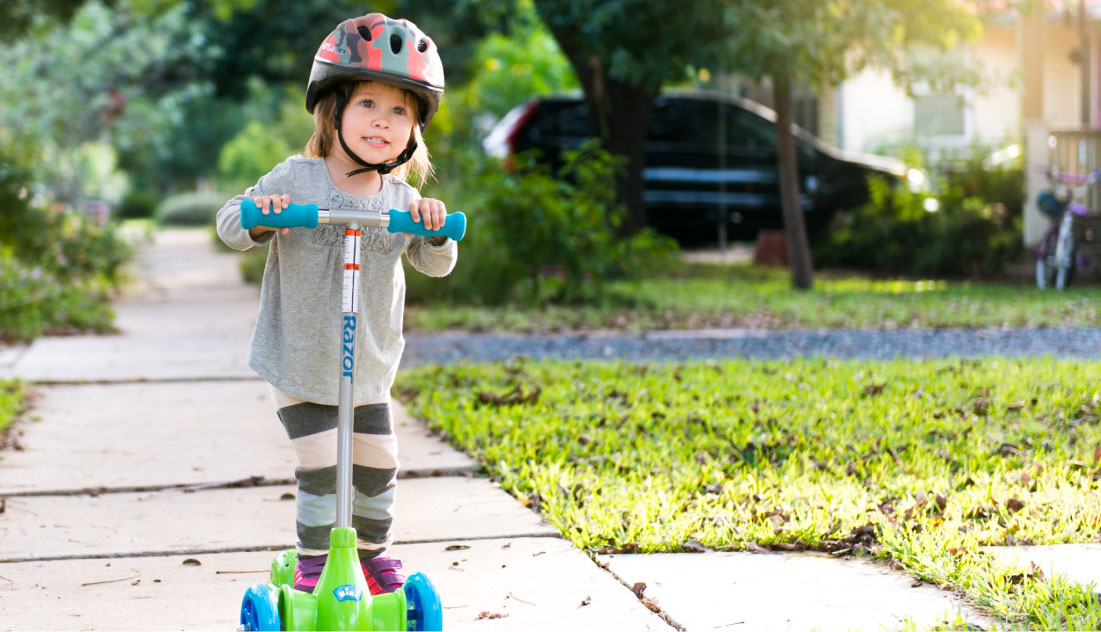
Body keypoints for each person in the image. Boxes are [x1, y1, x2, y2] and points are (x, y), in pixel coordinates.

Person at [214, 13, 456, 596]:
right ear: (333, 111)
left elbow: (437, 264)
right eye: (369, 103)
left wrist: (435, 230)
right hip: (299, 362)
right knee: (323, 467)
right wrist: (260, 217)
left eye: (400, 111)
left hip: (368, 368)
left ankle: (372, 556)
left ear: (414, 131)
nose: (384, 121)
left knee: (377, 468)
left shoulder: (402, 198)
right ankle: (315, 564)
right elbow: (229, 222)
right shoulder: (296, 180)